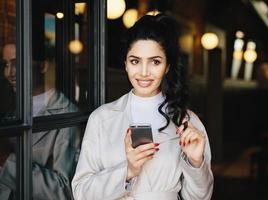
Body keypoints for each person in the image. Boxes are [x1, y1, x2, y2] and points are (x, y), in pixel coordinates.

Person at [72, 14, 213, 200]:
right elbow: (81, 193)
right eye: (135, 61)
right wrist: (128, 171)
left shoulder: (187, 122)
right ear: (125, 64)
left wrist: (196, 163)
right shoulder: (102, 118)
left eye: (155, 62)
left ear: (167, 66)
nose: (144, 72)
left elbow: (200, 198)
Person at [0, 43, 81, 200]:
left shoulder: (67, 115)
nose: (9, 73)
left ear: (43, 66)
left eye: (17, 64)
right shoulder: (12, 110)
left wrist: (6, 160)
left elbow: (63, 191)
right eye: (6, 64)